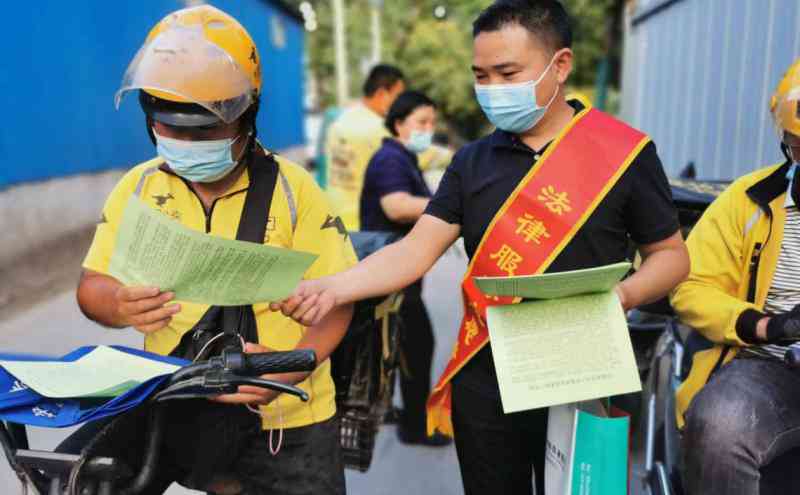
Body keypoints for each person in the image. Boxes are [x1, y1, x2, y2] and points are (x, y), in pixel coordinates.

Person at [274, 1, 690, 493]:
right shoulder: (471, 162)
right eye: (481, 75)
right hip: (490, 372)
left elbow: (671, 257)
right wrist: (334, 287)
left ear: (561, 65)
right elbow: (414, 251)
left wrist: (619, 297)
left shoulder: (622, 153)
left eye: (507, 72)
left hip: (585, 366)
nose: (492, 89)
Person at [69, 6, 355, 494]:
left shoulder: (295, 191)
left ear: (247, 115)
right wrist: (117, 305)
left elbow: (340, 301)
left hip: (288, 420)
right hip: (175, 406)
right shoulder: (137, 189)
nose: (186, 142)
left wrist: (288, 364)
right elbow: (91, 286)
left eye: (205, 130)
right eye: (170, 128)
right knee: (78, 474)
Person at [671, 59, 800, 494]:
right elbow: (691, 284)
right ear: (784, 140)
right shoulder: (747, 202)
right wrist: (767, 325)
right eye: (799, 146)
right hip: (768, 367)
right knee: (721, 423)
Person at [359, 90, 449, 446]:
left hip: (399, 274)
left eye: (432, 122)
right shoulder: (390, 159)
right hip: (392, 276)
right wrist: (450, 205)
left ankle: (396, 411)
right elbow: (396, 206)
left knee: (396, 348)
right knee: (417, 346)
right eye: (421, 122)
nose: (429, 129)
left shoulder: (404, 158)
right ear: (399, 124)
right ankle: (413, 427)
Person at [325, 64, 406, 231]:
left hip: (335, 221)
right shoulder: (381, 130)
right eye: (398, 97)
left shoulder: (339, 122)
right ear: (382, 94)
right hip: (366, 226)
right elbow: (418, 156)